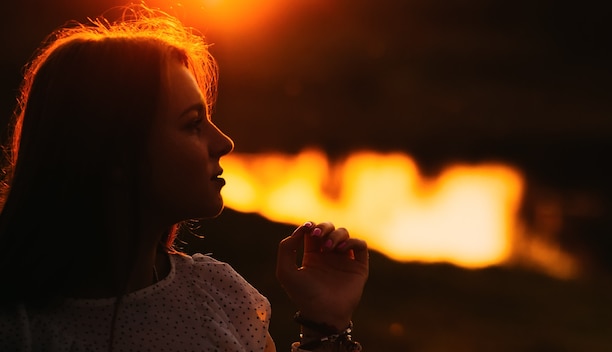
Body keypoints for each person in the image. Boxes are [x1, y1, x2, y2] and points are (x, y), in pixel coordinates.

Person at [0, 5, 369, 352]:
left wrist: (326, 321)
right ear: (113, 152)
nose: (224, 142)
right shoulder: (19, 327)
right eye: (193, 124)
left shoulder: (224, 298)